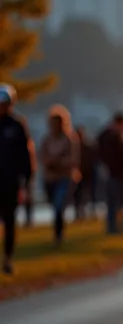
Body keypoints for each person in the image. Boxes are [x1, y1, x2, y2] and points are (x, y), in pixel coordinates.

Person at [0, 85, 32, 274]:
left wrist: (26, 180)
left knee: (10, 222)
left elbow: (25, 155)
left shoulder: (17, 125)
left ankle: (8, 258)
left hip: (10, 182)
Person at [38, 105, 80, 246]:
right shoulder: (46, 140)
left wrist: (59, 163)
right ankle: (58, 232)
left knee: (58, 206)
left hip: (64, 177)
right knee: (54, 205)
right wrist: (50, 163)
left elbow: (74, 160)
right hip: (50, 178)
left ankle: (58, 235)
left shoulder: (70, 139)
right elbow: (42, 157)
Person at [73, 125, 98, 221]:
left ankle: (92, 211)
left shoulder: (88, 147)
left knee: (91, 193)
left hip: (89, 172)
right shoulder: (75, 146)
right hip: (79, 173)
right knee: (78, 194)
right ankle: (79, 213)